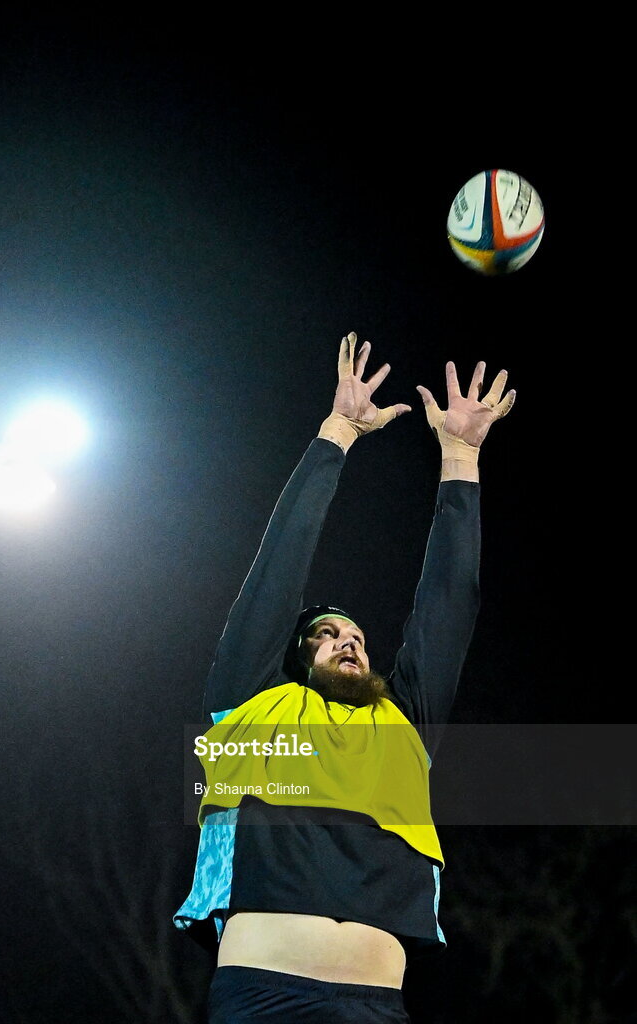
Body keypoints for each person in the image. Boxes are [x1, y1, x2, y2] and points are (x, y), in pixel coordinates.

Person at [174, 332, 515, 1023]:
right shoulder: (253, 706)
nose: (348, 641)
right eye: (326, 635)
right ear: (296, 658)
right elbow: (277, 573)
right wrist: (338, 434)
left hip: (377, 1005)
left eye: (357, 636)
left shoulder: (401, 722)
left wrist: (460, 457)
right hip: (262, 999)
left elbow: (450, 604)